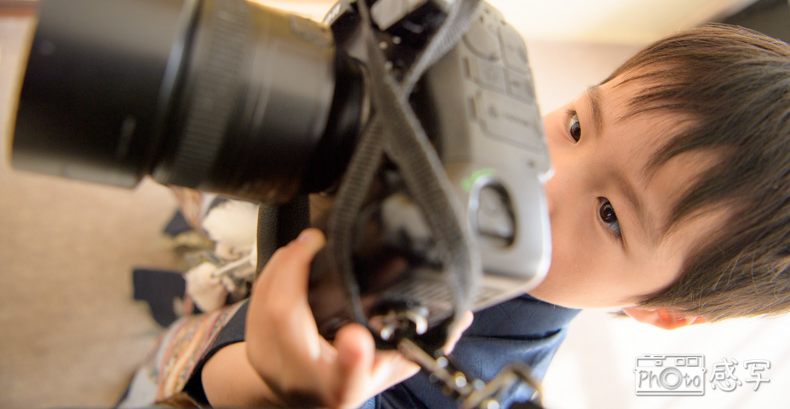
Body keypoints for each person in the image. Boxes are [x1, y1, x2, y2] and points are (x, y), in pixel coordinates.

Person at [121, 23, 790, 408]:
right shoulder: (475, 137)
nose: (545, 170)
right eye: (580, 124)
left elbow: (221, 382)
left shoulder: (479, 386)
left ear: (658, 310)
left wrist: (276, 389)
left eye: (610, 213)